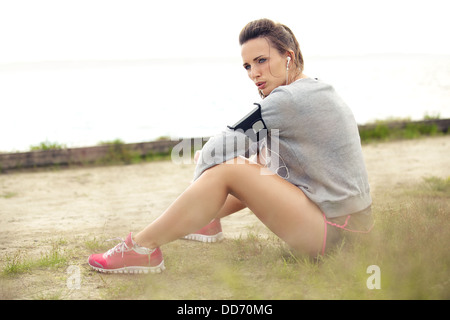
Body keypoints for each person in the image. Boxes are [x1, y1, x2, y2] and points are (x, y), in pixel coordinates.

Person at [88, 18, 373, 274]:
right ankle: (205, 219)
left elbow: (215, 151)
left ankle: (141, 248)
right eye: (248, 66)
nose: (254, 73)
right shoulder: (316, 88)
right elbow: (253, 152)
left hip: (336, 235)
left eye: (262, 60)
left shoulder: (287, 99)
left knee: (226, 169)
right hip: (354, 230)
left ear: (288, 57)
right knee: (255, 162)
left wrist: (208, 174)